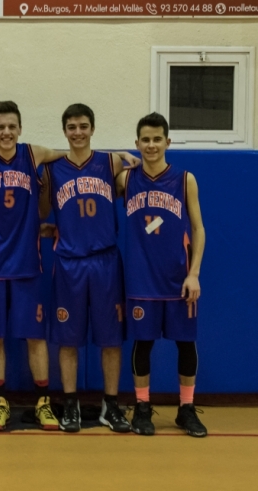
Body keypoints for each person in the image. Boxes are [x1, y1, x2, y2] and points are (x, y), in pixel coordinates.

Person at [0, 101, 139, 431]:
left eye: (12, 126)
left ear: (20, 129)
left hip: (37, 262)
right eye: (0, 127)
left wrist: (122, 155)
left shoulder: (39, 155)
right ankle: (2, 403)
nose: (6, 132)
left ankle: (51, 403)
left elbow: (82, 160)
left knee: (39, 337)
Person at [41, 103, 131, 433]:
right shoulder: (52, 169)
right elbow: (41, 211)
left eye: (83, 126)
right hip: (69, 262)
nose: (77, 132)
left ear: (93, 128)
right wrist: (50, 227)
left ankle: (111, 405)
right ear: (64, 131)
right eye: (71, 127)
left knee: (111, 340)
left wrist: (129, 157)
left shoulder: (112, 162)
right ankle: (71, 404)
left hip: (105, 260)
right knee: (68, 340)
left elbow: (134, 184)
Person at [117, 112, 207, 437]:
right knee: (143, 344)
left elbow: (198, 229)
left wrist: (194, 273)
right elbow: (94, 174)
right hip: (141, 279)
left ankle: (186, 409)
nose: (151, 145)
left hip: (178, 278)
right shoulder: (126, 180)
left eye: (157, 139)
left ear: (168, 142)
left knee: (186, 343)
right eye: (145, 139)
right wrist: (120, 157)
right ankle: (142, 407)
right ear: (137, 143)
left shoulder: (185, 179)